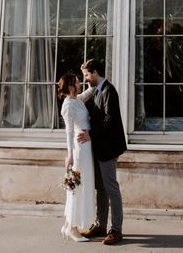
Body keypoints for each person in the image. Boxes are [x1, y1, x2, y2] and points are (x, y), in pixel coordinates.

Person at [77, 59, 127, 246]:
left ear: (95, 72)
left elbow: (110, 119)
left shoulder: (109, 91)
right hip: (97, 148)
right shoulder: (96, 90)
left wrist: (91, 135)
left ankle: (116, 229)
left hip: (108, 148)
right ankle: (100, 224)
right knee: (101, 188)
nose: (86, 79)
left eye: (87, 75)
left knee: (111, 188)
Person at [58, 73, 96, 242]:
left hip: (86, 148)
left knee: (81, 186)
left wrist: (85, 74)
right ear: (72, 85)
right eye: (78, 81)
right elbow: (69, 132)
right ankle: (73, 228)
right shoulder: (68, 105)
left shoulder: (77, 100)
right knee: (77, 188)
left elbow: (92, 90)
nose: (80, 83)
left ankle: (67, 225)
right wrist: (70, 155)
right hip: (79, 150)